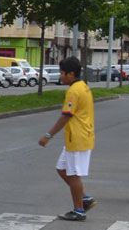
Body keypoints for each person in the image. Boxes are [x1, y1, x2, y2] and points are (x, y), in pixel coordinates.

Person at [38, 56, 96, 221]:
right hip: (78, 137)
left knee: (73, 174)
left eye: (62, 73)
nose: (60, 76)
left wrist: (48, 135)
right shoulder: (83, 86)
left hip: (77, 138)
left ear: (71, 74)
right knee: (62, 169)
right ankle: (84, 198)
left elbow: (66, 116)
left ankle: (79, 211)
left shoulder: (74, 91)